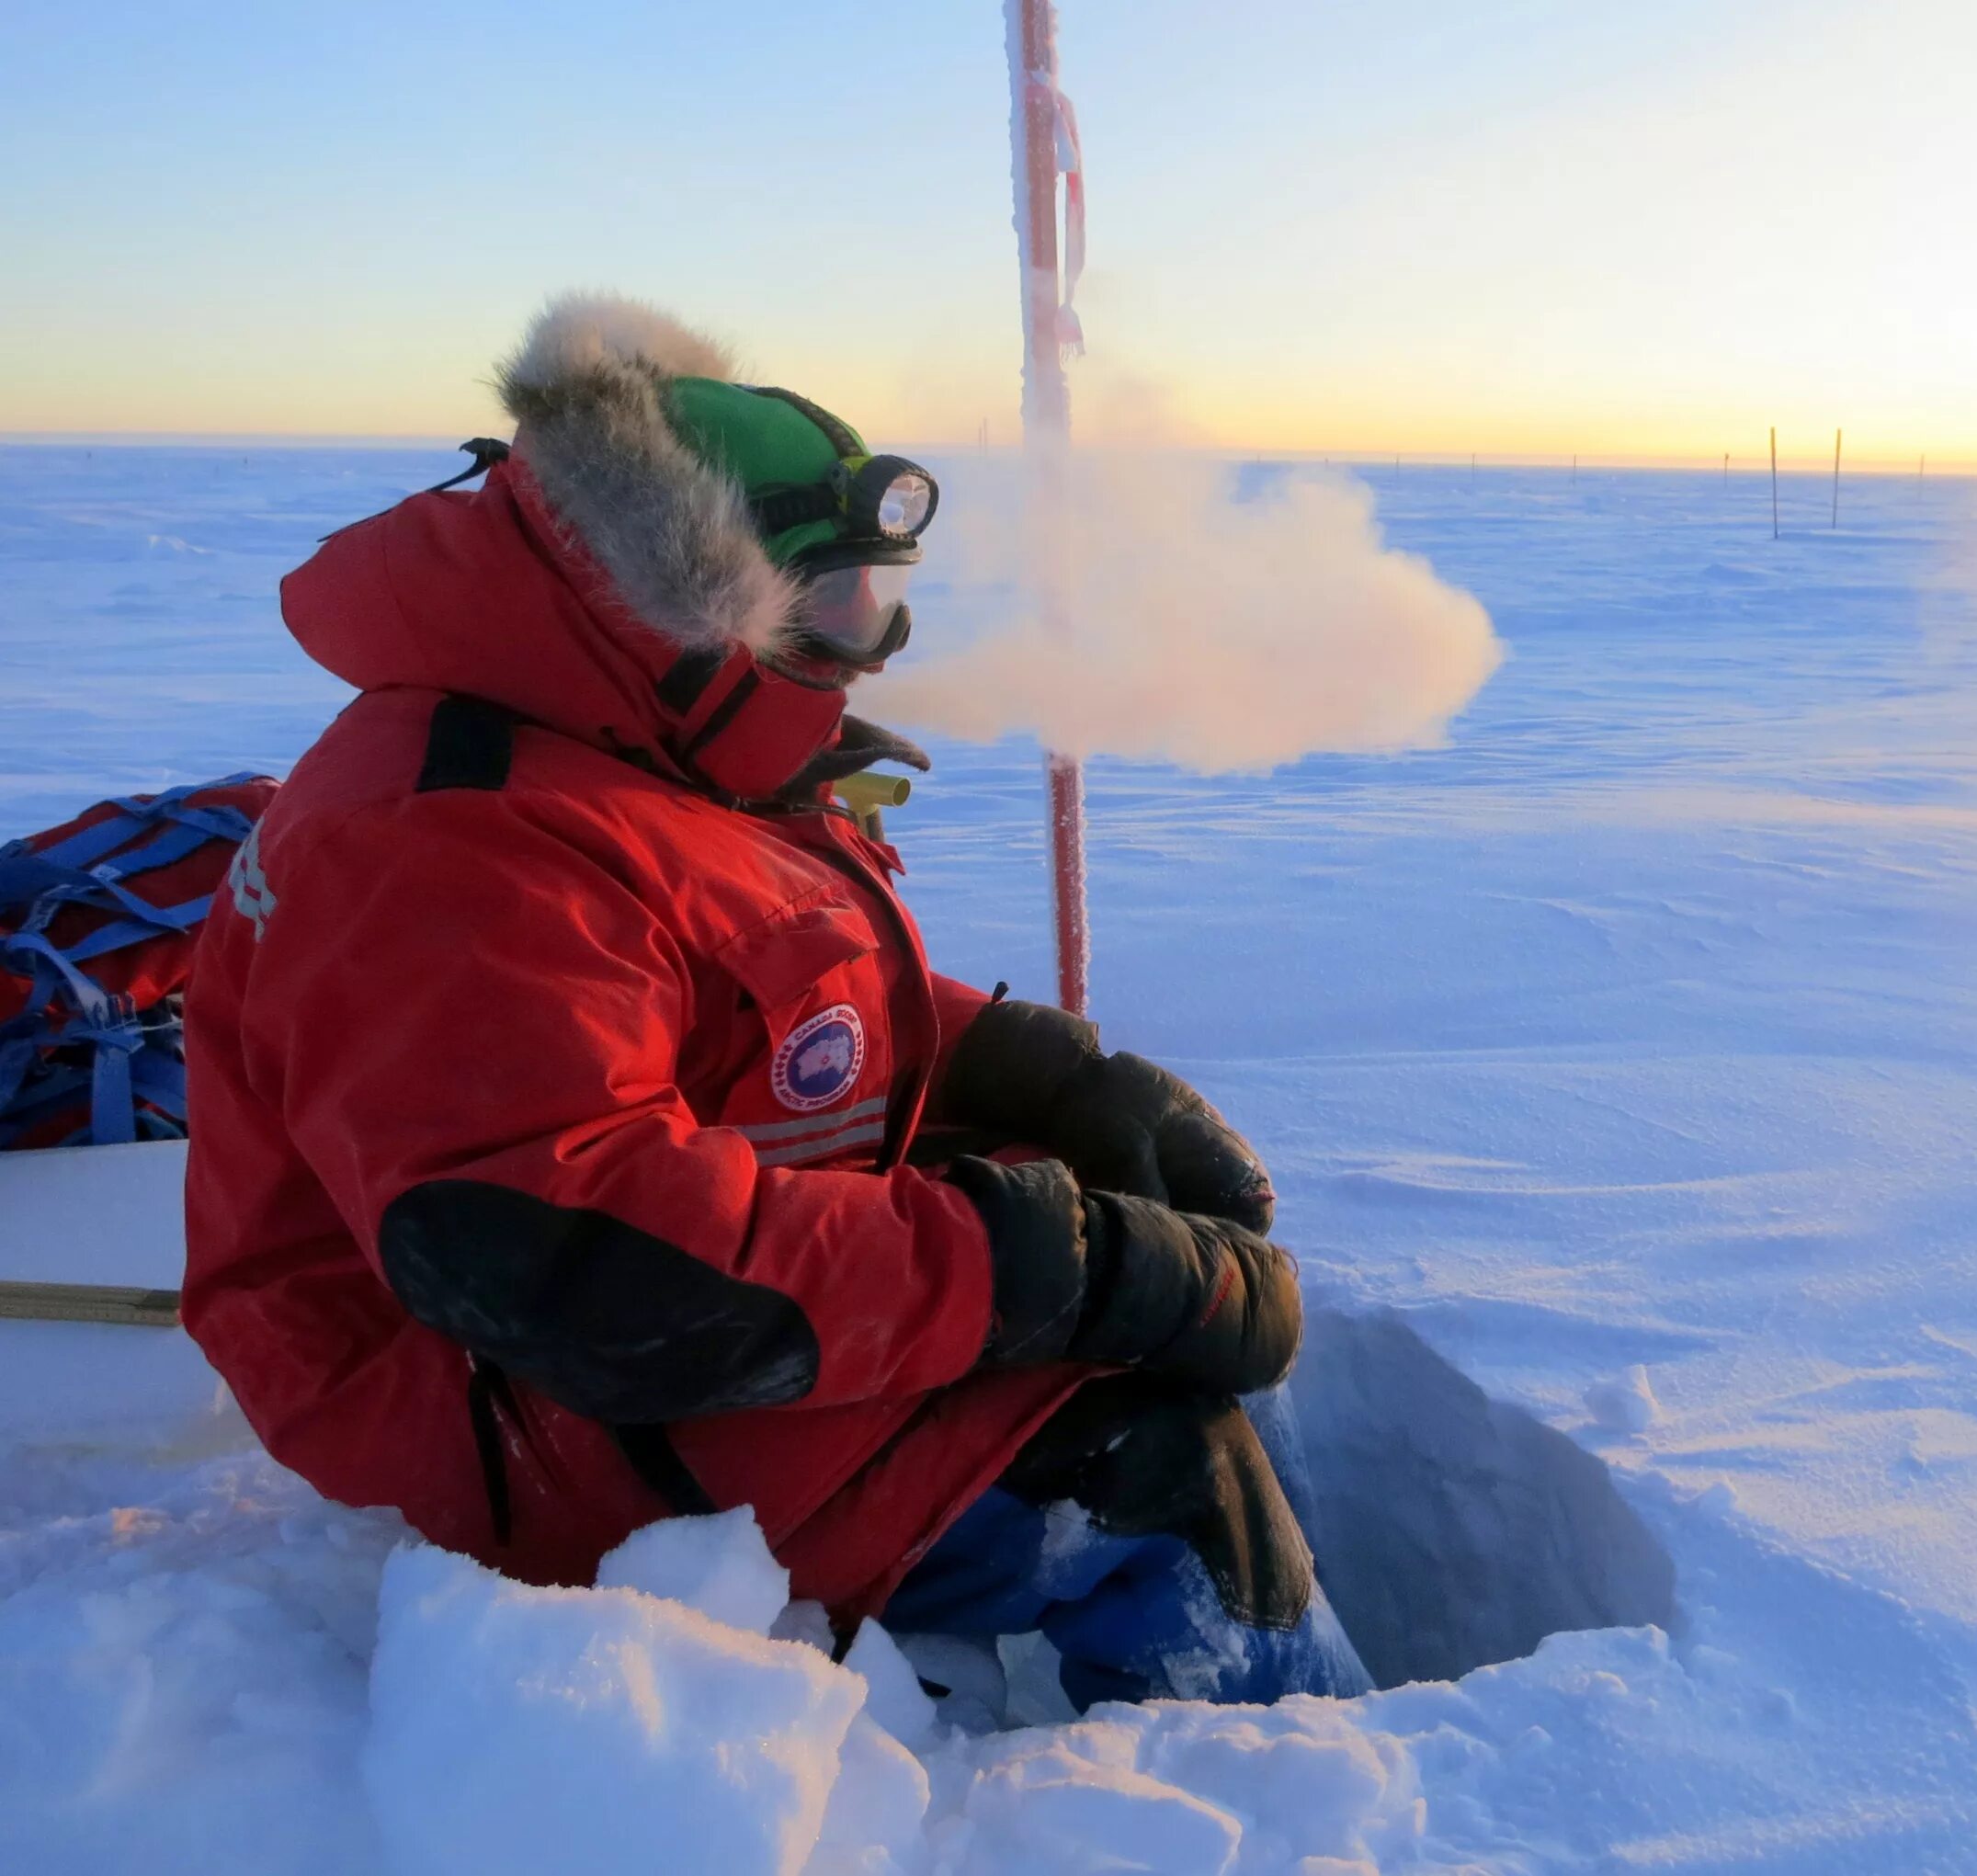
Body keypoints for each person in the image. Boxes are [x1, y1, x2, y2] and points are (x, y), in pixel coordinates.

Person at [180, 294, 1371, 1710]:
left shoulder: (622, 724)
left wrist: (1035, 1075)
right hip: (484, 1387)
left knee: (1191, 1326)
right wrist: (1054, 1271)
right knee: (1158, 1466)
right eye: (840, 607)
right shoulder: (438, 845)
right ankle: (1308, 1786)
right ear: (688, 600)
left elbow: (747, 964)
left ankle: (1315, 1692)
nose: (873, 651)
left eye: (883, 600)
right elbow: (597, 1262)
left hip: (633, 1281)